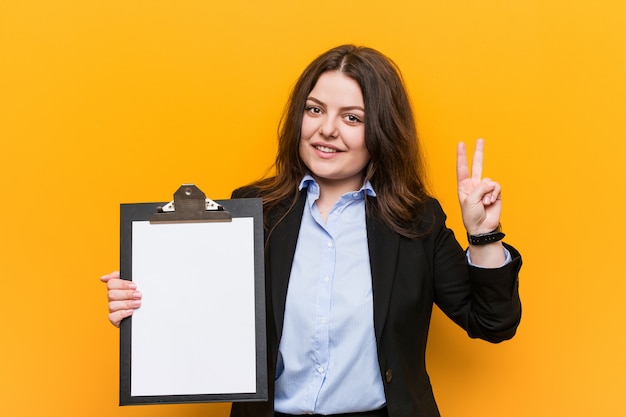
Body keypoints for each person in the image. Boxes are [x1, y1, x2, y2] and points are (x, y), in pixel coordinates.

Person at [101, 44, 522, 417]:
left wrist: (484, 235)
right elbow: (209, 312)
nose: (326, 130)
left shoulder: (417, 220)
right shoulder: (255, 210)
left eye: (351, 117)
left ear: (382, 130)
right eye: (315, 109)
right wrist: (146, 305)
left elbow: (492, 321)